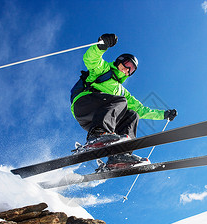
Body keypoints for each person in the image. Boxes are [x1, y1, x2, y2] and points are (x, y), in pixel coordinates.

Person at [71, 33, 177, 168]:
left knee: (133, 114)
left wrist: (163, 115)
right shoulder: (104, 70)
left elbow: (141, 110)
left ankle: (120, 156)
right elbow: (91, 60)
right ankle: (97, 135)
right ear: (119, 60)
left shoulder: (121, 91)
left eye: (131, 69)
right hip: (84, 105)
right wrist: (101, 47)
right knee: (121, 101)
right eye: (127, 64)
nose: (127, 69)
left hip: (95, 119)